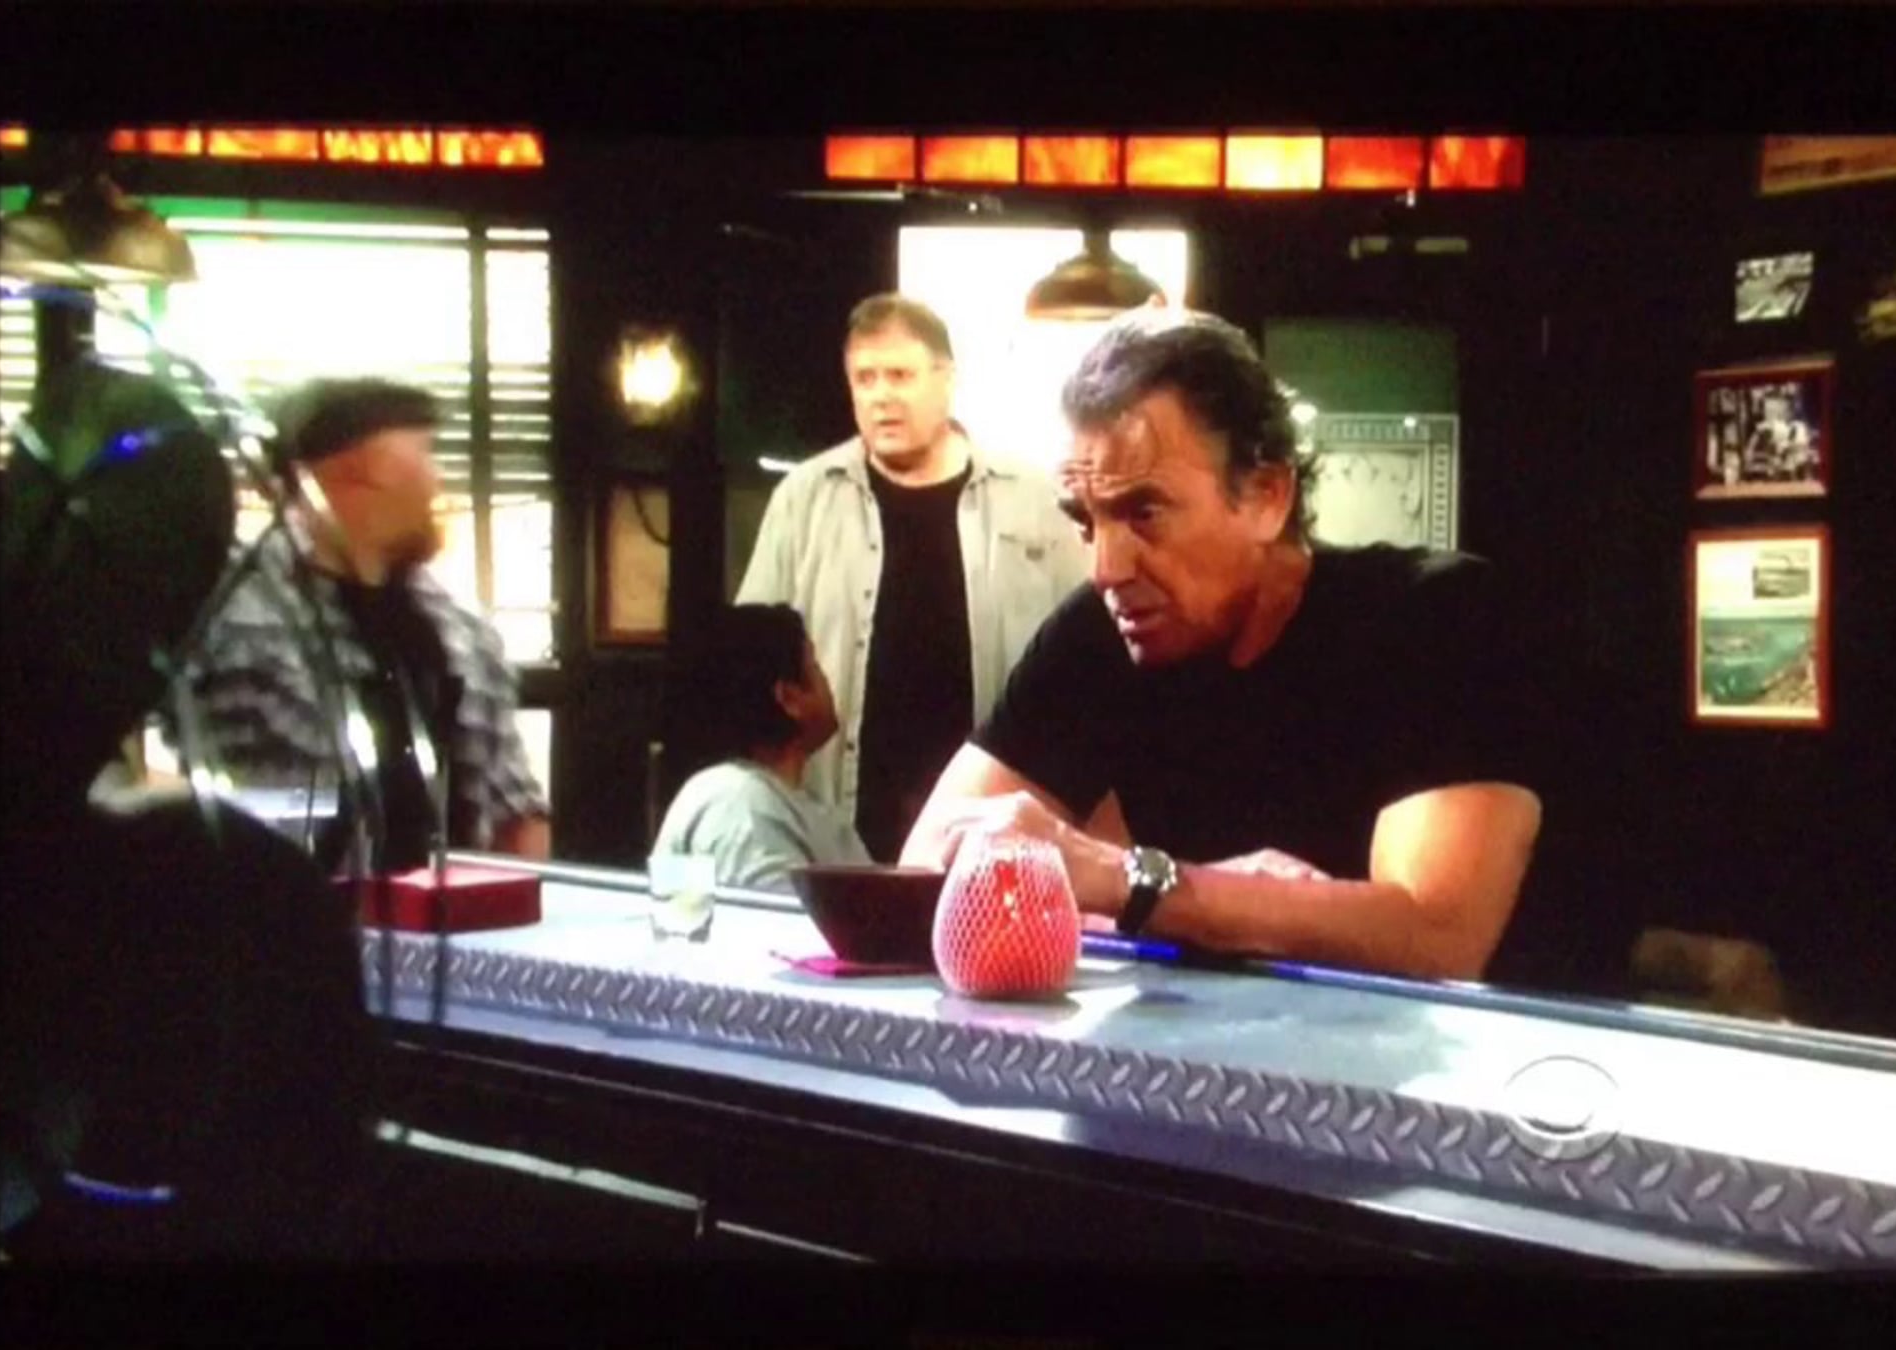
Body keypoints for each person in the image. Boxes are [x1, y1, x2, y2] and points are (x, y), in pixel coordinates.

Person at [900, 309, 1542, 983]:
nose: (1107, 568)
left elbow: (1435, 936)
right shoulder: (1099, 634)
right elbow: (928, 870)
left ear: (1267, 495)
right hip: (1217, 1044)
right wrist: (1190, 899)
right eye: (1087, 521)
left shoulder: (1435, 617)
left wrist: (1129, 882)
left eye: (1144, 513)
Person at [738, 294, 1087, 865]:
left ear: (947, 380)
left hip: (995, 829)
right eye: (865, 378)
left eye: (900, 375)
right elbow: (750, 668)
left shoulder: (1034, 501)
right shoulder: (804, 499)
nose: (881, 396)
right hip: (836, 827)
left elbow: (1090, 662)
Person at [183, 377, 550, 871]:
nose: (438, 481)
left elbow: (516, 814)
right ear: (359, 469)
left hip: (446, 911)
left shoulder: (463, 631)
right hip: (272, 905)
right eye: (424, 454)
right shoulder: (229, 607)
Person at [650, 604, 872, 888]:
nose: (827, 680)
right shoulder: (739, 804)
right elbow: (775, 914)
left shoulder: (787, 801)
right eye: (815, 667)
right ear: (789, 698)